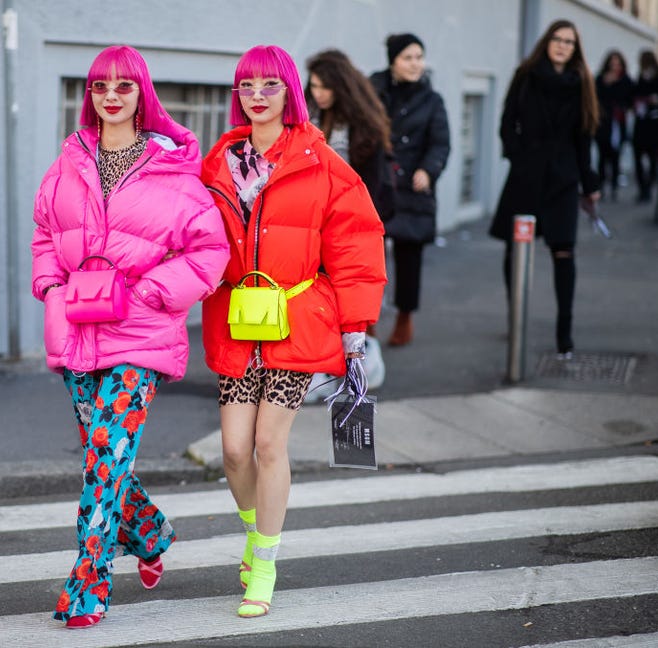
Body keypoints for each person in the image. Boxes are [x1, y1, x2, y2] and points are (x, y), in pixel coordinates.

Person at [30, 45, 228, 629]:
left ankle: (87, 584)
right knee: (104, 454)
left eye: (123, 86)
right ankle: (150, 530)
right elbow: (46, 231)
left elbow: (209, 251)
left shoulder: (172, 169)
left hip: (140, 336)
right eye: (99, 87)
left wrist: (149, 293)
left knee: (106, 458)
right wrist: (51, 288)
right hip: (76, 332)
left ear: (143, 94)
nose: (110, 96)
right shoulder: (68, 162)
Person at [201, 44, 385, 618]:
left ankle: (264, 562)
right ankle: (255, 533)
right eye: (247, 86)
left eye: (269, 85)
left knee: (267, 443)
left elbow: (356, 245)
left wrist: (353, 328)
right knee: (233, 451)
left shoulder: (320, 159)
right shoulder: (216, 161)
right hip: (237, 321)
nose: (257, 96)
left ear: (289, 92)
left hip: (297, 319)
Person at [488, 19, 601, 358]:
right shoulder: (526, 74)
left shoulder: (581, 82)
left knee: (563, 251)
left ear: (574, 48)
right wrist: (517, 155)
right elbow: (508, 121)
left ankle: (564, 330)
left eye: (569, 41)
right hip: (527, 174)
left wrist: (589, 181)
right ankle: (516, 317)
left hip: (563, 179)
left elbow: (584, 137)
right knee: (515, 248)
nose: (563, 45)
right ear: (547, 42)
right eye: (558, 39)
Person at [304, 48, 394, 397]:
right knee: (320, 304)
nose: (319, 93)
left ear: (342, 87)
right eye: (313, 86)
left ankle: (359, 373)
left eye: (325, 87)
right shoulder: (309, 120)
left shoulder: (364, 126)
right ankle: (324, 373)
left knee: (354, 307)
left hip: (353, 229)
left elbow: (374, 188)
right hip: (315, 227)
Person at [369, 33, 450, 347]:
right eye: (408, 58)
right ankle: (368, 317)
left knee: (409, 254)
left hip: (413, 186)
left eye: (419, 57)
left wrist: (428, 170)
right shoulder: (373, 91)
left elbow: (440, 142)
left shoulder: (432, 100)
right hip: (379, 182)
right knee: (371, 257)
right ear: (393, 61)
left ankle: (405, 316)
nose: (416, 64)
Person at [594, 50, 634, 201]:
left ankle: (614, 187)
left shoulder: (625, 80)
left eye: (617, 63)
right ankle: (601, 185)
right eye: (612, 63)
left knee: (616, 156)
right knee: (602, 157)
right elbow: (595, 97)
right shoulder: (601, 79)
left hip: (617, 123)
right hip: (603, 124)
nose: (614, 66)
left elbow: (630, 100)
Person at [632, 49, 658, 204]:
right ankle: (643, 188)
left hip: (654, 123)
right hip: (641, 123)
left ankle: (648, 187)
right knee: (638, 156)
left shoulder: (657, 76)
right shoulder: (640, 76)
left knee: (652, 158)